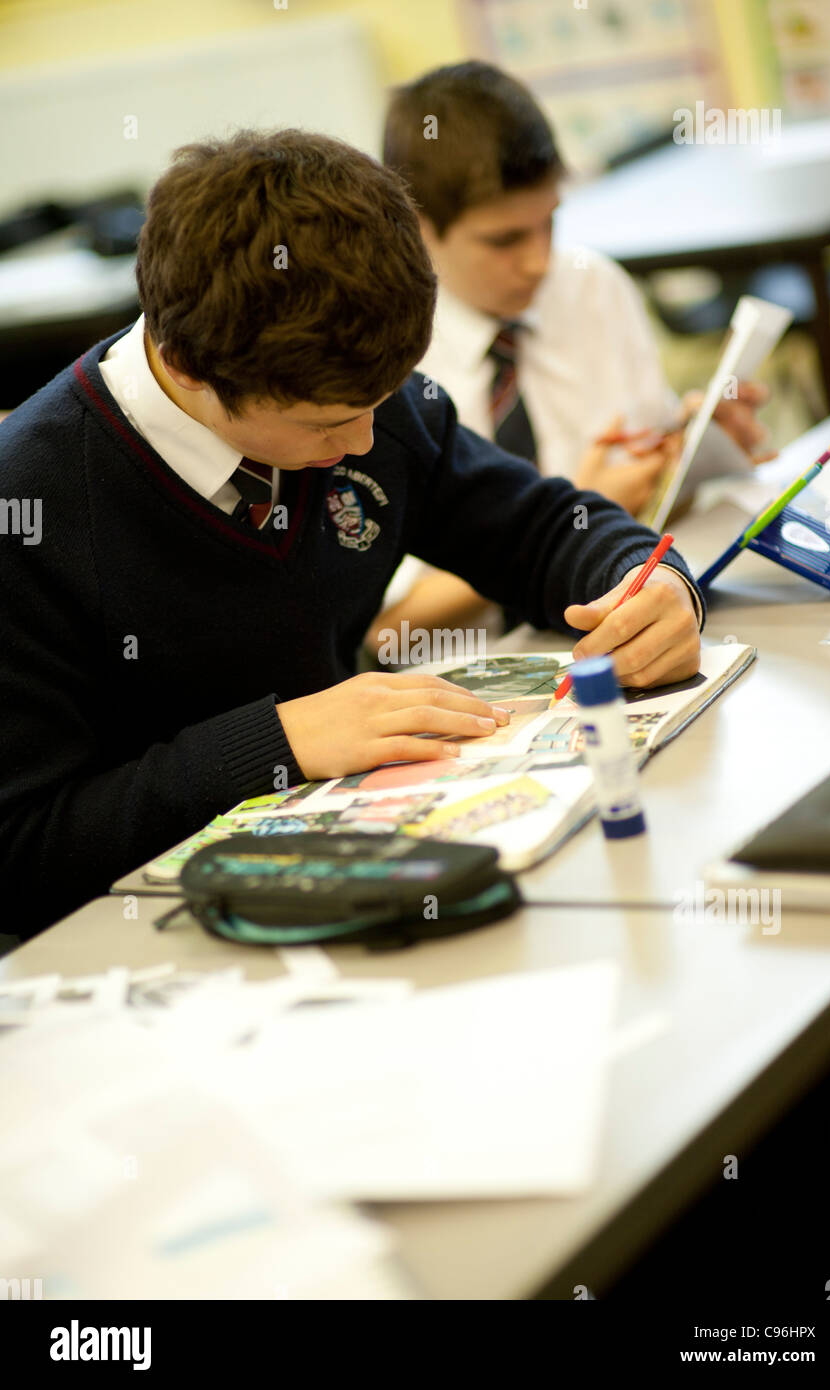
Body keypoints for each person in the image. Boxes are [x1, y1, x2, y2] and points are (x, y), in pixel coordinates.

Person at [0, 128, 702, 939]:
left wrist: (647, 583)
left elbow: (541, 528)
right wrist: (278, 740)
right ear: (188, 366)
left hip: (350, 874)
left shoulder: (357, 386)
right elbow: (21, 852)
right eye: (329, 423)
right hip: (138, 945)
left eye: (384, 401)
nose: (368, 443)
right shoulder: (31, 510)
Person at [371, 61, 769, 652]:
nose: (538, 260)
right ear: (417, 227)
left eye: (550, 223)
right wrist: (576, 514)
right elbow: (383, 633)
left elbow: (659, 507)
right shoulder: (379, 354)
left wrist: (697, 447)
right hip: (476, 666)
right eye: (505, 239)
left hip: (619, 621)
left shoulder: (591, 287)